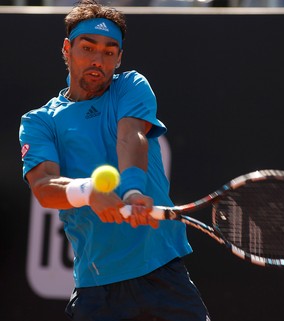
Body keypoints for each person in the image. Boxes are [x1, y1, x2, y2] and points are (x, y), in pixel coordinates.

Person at [19, 1, 210, 320]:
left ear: (119, 57)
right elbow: (43, 186)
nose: (98, 59)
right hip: (98, 287)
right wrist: (88, 191)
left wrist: (133, 191)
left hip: (163, 272)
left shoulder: (131, 86)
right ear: (67, 49)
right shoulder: (40, 122)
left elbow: (131, 135)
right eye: (88, 48)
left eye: (109, 51)